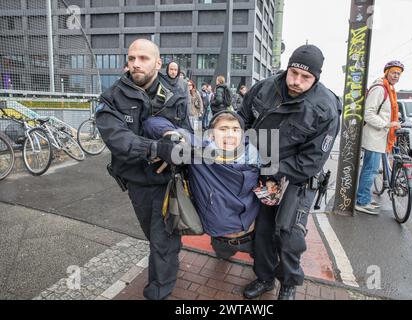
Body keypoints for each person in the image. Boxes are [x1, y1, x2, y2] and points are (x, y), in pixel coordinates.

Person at [238, 44, 342, 300]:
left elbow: (313, 160)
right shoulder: (264, 87)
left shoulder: (325, 108)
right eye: (293, 72)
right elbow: (243, 117)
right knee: (263, 230)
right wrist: (233, 134)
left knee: (287, 233)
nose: (296, 81)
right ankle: (264, 278)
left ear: (316, 77)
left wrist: (271, 169)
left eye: (305, 77)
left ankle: (288, 283)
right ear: (288, 68)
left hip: (296, 178)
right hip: (261, 170)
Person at [95, 39, 190, 300]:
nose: (135, 63)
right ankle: (169, 257)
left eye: (143, 58)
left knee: (162, 242)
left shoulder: (176, 95)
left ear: (158, 63)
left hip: (167, 183)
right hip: (136, 184)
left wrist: (179, 145)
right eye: (131, 58)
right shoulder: (112, 96)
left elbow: (188, 135)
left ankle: (157, 291)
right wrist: (157, 148)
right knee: (154, 236)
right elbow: (116, 138)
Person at [142, 111, 260, 259]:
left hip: (253, 234)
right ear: (210, 135)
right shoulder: (199, 152)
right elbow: (151, 122)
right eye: (223, 129)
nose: (230, 134)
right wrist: (170, 133)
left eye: (235, 129)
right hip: (220, 238)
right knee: (222, 260)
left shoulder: (256, 154)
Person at [355, 61, 404, 215]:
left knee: (372, 169)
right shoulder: (380, 89)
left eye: (399, 73)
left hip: (381, 137)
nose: (396, 76)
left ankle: (365, 198)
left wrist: (395, 119)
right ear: (386, 72)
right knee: (370, 170)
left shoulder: (390, 89)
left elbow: (385, 111)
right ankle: (362, 201)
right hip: (374, 137)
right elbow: (368, 113)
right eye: (394, 72)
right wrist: (387, 124)